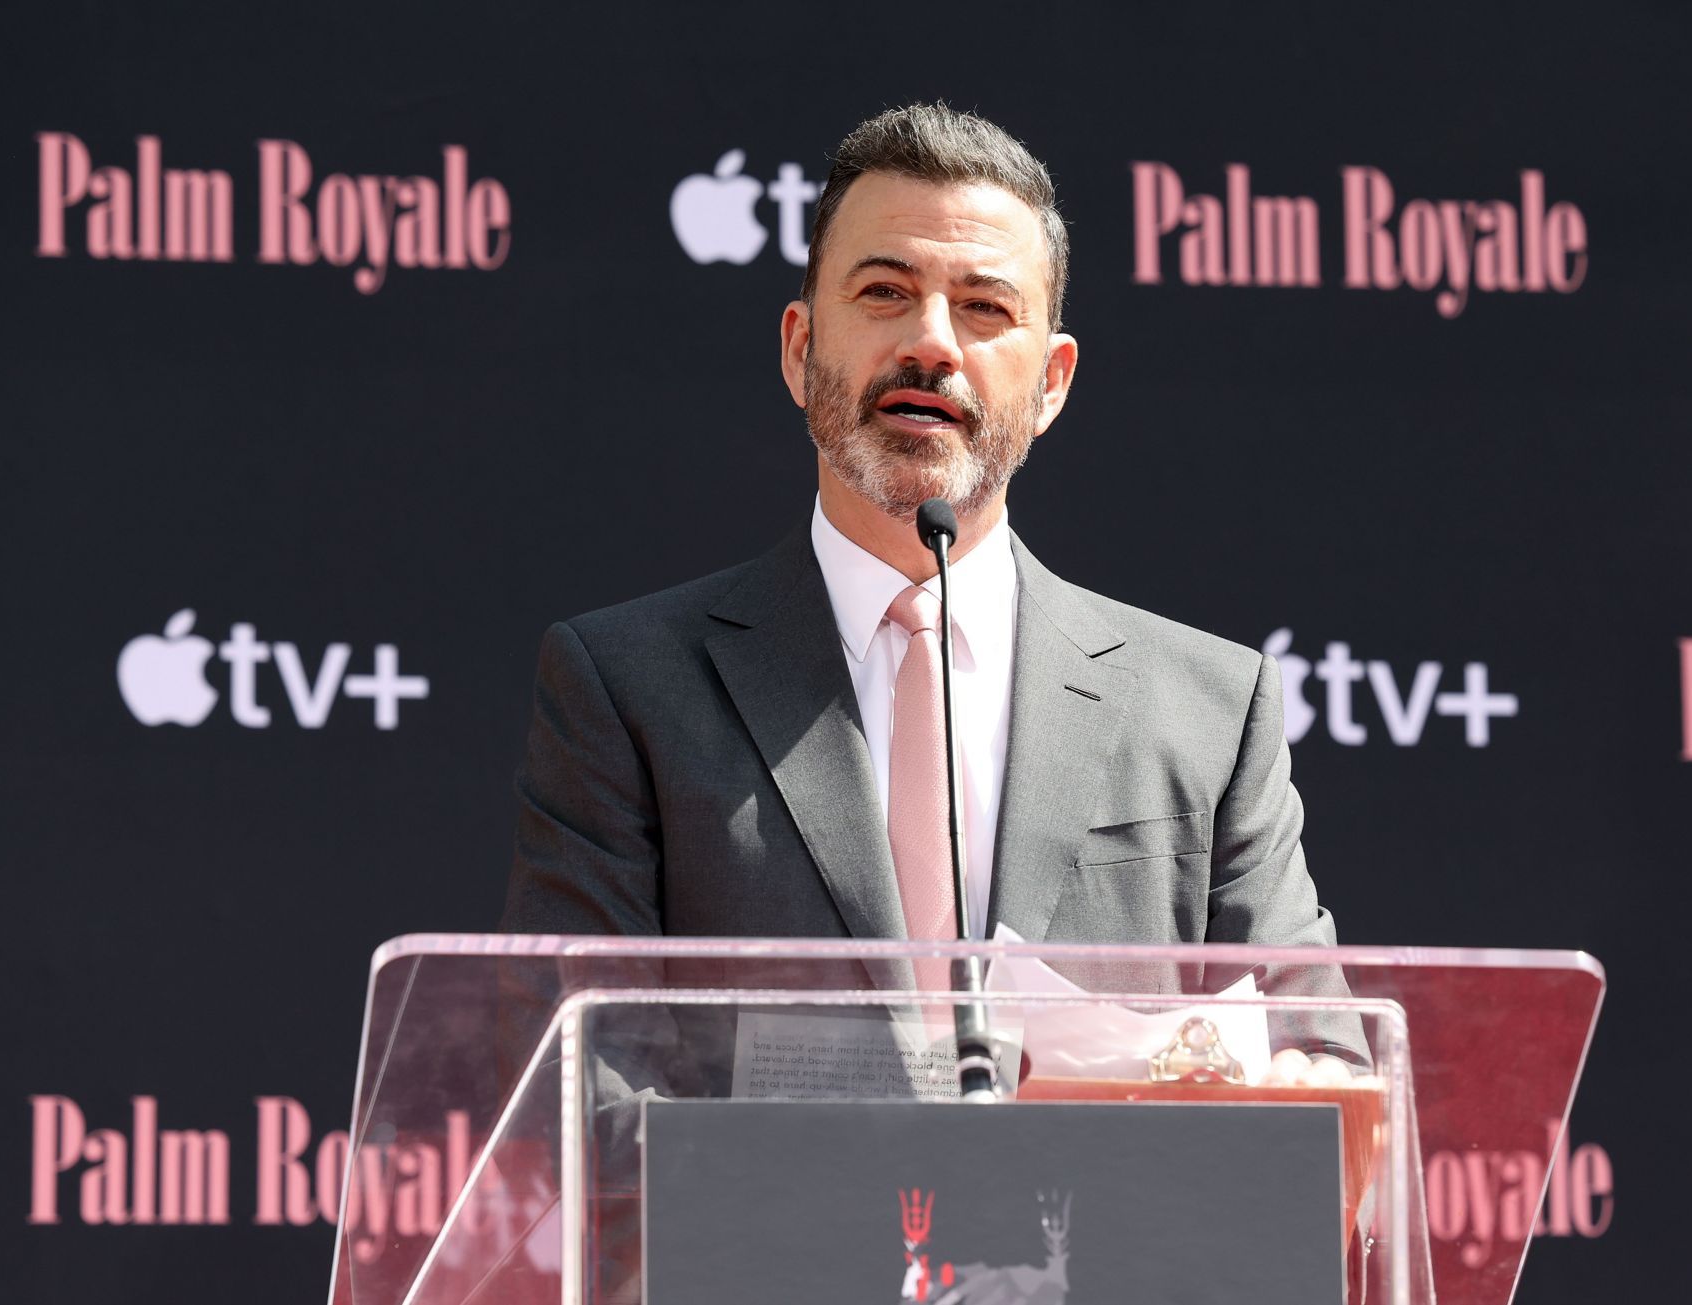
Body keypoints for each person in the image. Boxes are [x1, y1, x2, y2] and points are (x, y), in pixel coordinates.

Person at [502, 104, 1349, 1079]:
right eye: (884, 292)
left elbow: (1319, 1075)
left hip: (1097, 1234)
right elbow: (571, 1096)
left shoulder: (1209, 711)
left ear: (1053, 384)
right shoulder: (627, 689)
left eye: (985, 307)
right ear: (798, 347)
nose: (933, 342)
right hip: (759, 1236)